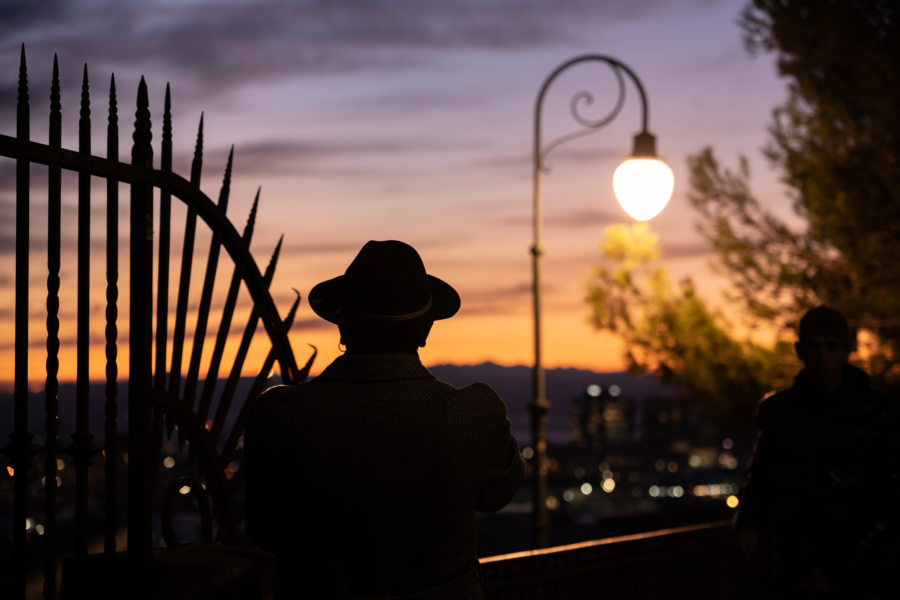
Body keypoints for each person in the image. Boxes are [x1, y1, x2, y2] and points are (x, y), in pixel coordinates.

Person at [244, 240, 525, 599]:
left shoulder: (281, 415)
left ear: (343, 327)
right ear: (425, 330)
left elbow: (264, 529)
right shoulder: (472, 413)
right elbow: (502, 490)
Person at [733, 305, 899, 598]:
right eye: (815, 347)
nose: (822, 357)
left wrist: (837, 570)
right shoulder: (780, 413)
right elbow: (759, 479)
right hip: (792, 567)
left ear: (847, 349)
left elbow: (885, 503)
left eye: (831, 346)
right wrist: (748, 522)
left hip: (862, 573)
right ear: (801, 350)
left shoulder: (877, 415)